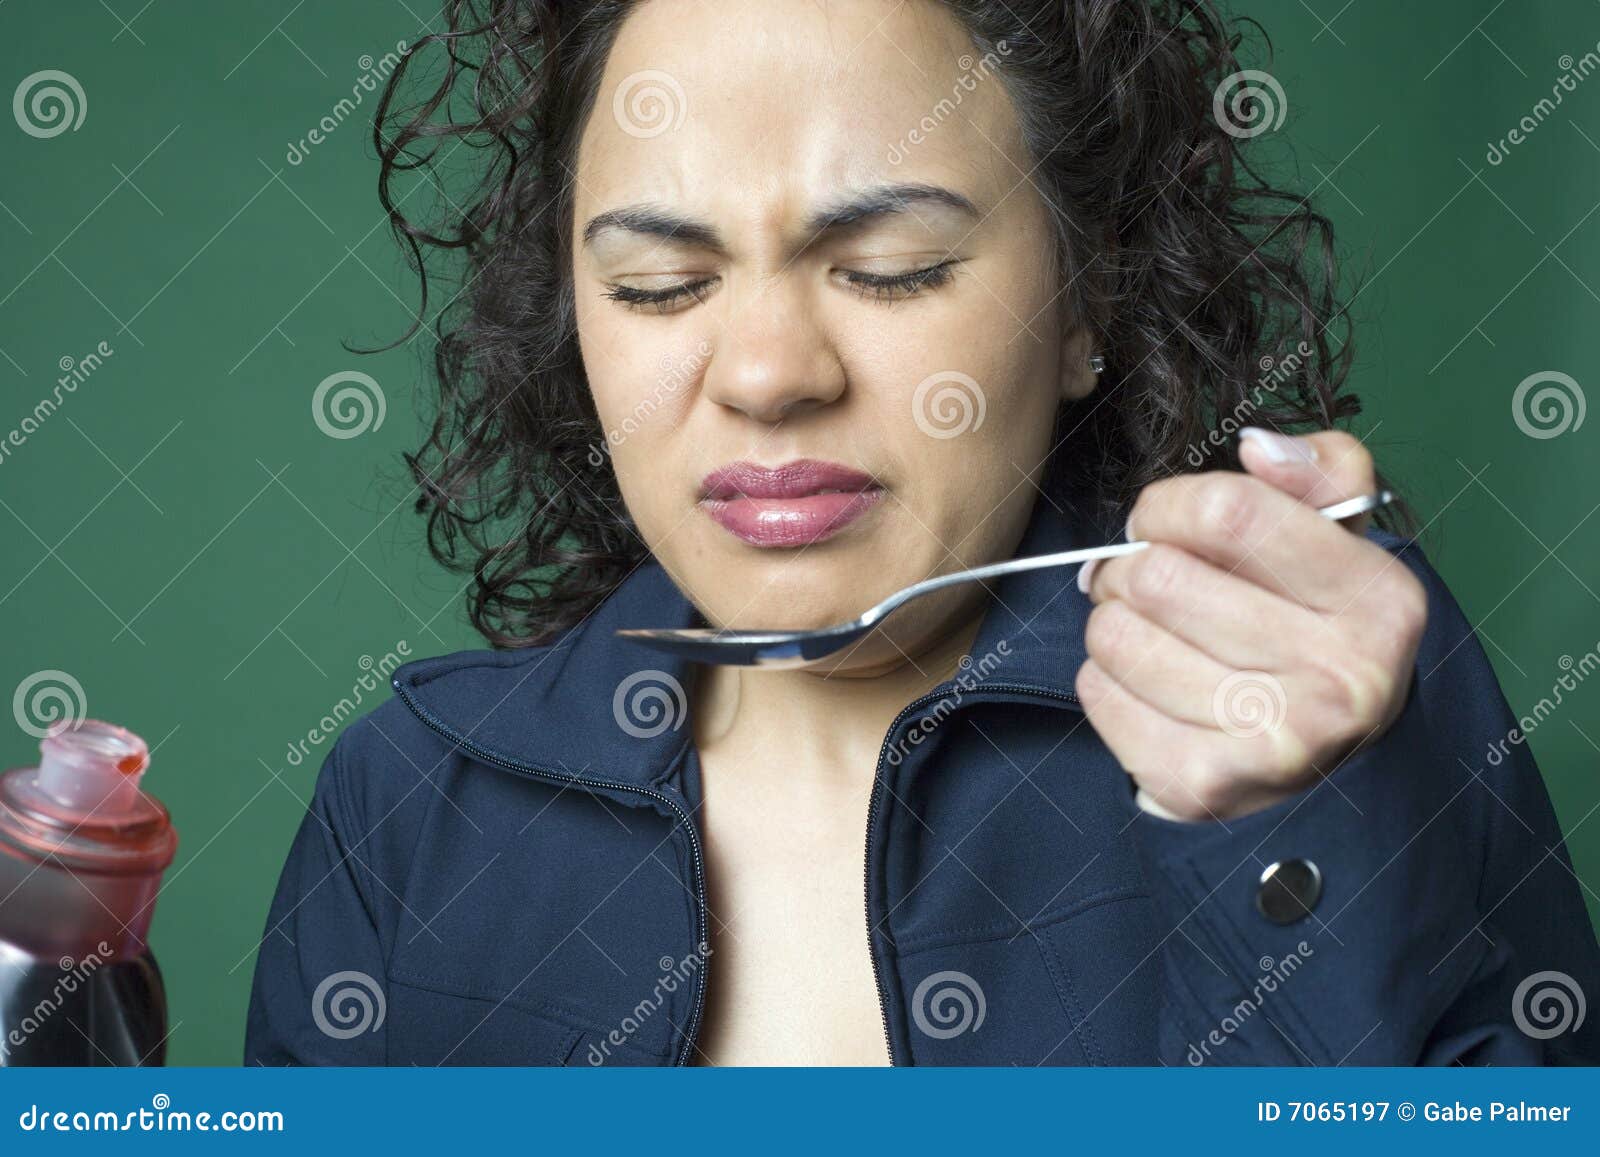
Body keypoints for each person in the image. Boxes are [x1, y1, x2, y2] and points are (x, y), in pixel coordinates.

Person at [245, 0, 1600, 1065]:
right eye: (659, 285)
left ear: (1086, 303)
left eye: (892, 268)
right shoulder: (410, 800)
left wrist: (1297, 833)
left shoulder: (1331, 700)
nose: (770, 372)